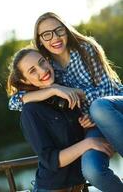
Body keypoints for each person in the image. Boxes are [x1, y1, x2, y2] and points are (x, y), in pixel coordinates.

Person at [9, 12, 123, 192]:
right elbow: (14, 102)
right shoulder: (48, 66)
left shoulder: (86, 49)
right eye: (47, 34)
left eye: (58, 30)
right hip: (93, 124)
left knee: (99, 107)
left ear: (66, 30)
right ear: (40, 40)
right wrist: (55, 89)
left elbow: (106, 93)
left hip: (115, 107)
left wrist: (76, 93)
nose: (54, 37)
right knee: (92, 171)